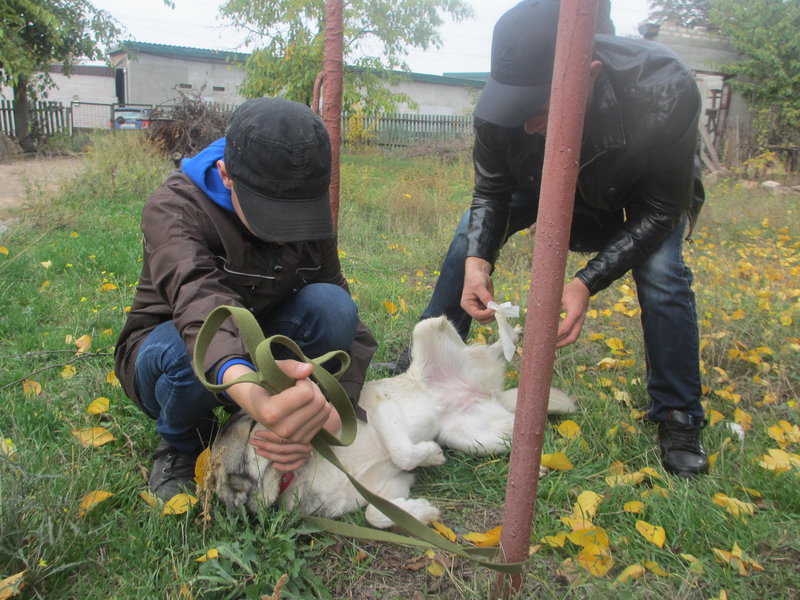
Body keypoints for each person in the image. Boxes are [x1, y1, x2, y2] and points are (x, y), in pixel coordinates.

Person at [400, 0, 708, 477]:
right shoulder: (502, 104)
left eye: (537, 107)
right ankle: (428, 363)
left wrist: (586, 281)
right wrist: (479, 260)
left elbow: (663, 209)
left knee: (663, 271)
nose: (523, 124)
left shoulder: (663, 89)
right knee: (469, 240)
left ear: (587, 73)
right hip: (540, 180)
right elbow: (492, 189)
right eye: (512, 106)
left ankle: (678, 413)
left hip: (635, 197)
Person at [114, 97, 377, 500]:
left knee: (332, 306)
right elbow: (198, 301)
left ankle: (262, 419)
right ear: (226, 175)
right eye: (270, 214)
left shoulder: (311, 216)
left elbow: (345, 316)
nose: (286, 233)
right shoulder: (175, 208)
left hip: (263, 347)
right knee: (192, 350)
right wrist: (255, 395)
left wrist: (327, 410)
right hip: (170, 351)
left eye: (299, 216)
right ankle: (181, 444)